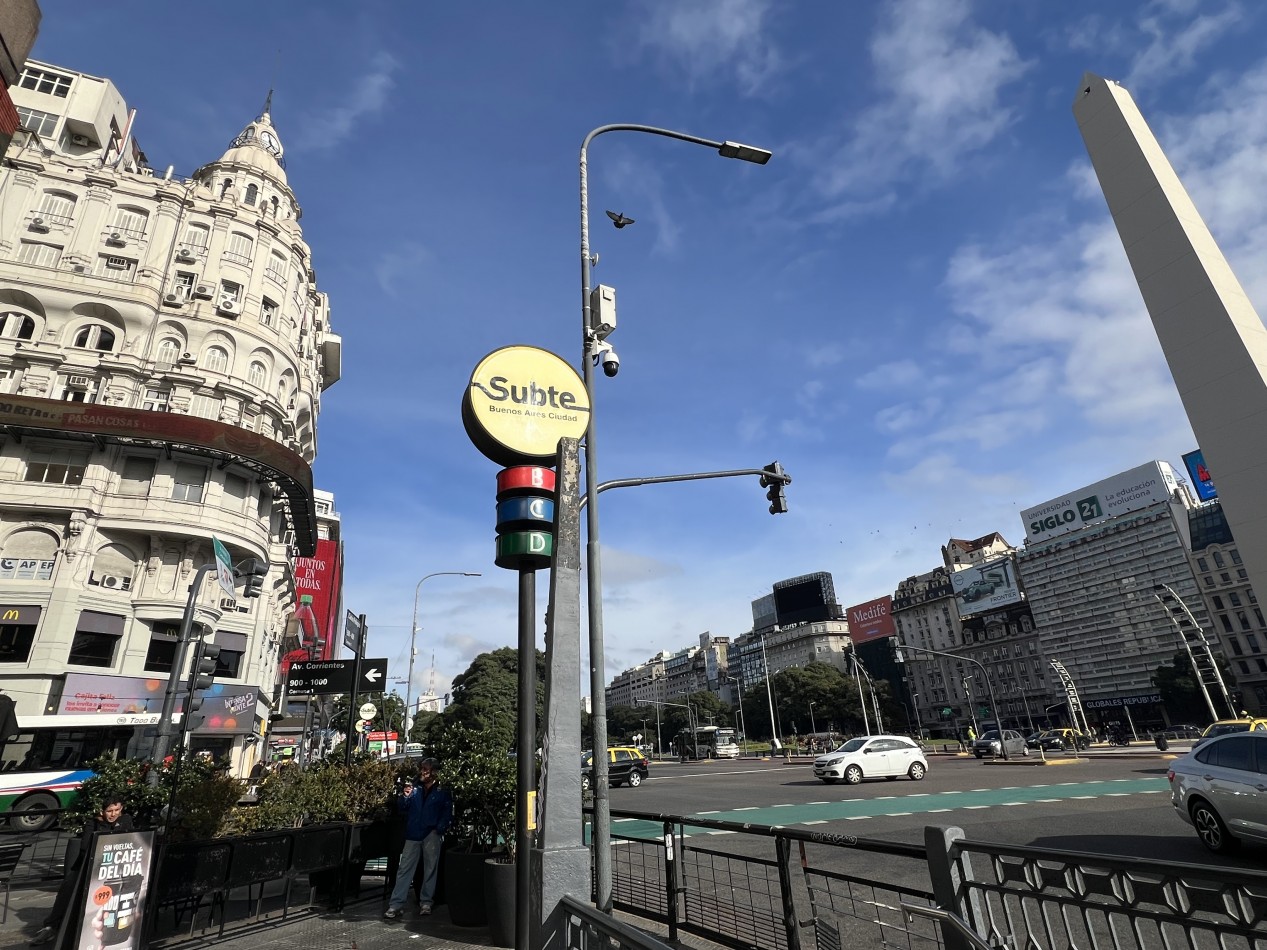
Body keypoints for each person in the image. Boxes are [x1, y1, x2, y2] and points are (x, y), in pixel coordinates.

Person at [30, 795, 135, 946]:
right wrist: (105, 826)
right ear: (102, 812)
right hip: (88, 866)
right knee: (69, 886)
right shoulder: (93, 822)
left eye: (117, 810)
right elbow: (86, 846)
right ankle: (51, 926)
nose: (113, 814)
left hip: (114, 868)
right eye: (109, 811)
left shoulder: (125, 820)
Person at [385, 758, 452, 919]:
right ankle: (397, 903)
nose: (422, 772)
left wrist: (439, 828)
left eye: (426, 770)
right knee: (406, 868)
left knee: (429, 867)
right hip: (416, 832)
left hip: (430, 832)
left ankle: (425, 901)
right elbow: (403, 807)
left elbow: (447, 810)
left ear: (434, 772)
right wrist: (405, 796)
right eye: (422, 769)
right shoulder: (415, 787)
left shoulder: (442, 789)